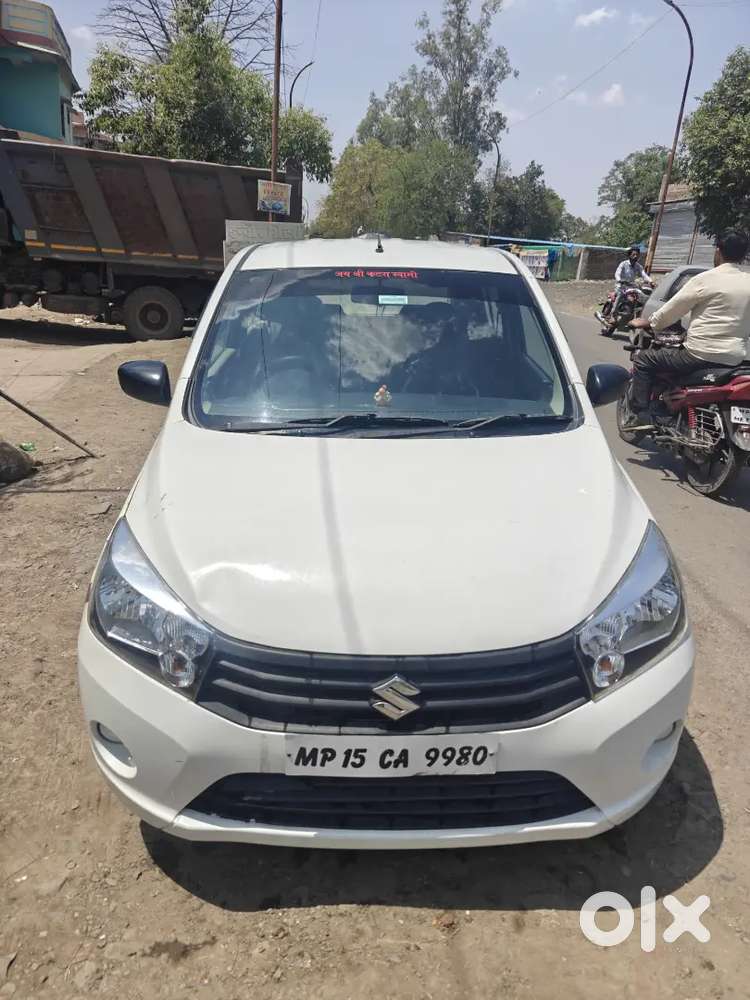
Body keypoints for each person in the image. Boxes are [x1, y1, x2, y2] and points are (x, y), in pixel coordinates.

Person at [624, 229, 750, 430]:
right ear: (744, 255)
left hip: (699, 354)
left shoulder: (706, 279)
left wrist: (649, 322)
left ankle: (641, 413)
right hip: (737, 358)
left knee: (644, 359)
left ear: (718, 251)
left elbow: (673, 309)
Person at [603, 245, 653, 328]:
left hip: (631, 286)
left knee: (641, 296)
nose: (635, 256)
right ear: (629, 255)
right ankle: (613, 316)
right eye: (633, 254)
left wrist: (651, 281)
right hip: (621, 286)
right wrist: (619, 280)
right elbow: (617, 273)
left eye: (637, 255)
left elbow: (644, 275)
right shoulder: (623, 264)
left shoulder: (638, 266)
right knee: (620, 295)